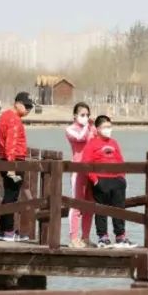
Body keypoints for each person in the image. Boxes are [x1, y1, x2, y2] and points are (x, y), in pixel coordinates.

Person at [82, 115, 134, 248]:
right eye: (105, 127)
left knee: (119, 208)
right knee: (101, 209)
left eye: (109, 127)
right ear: (98, 129)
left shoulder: (114, 143)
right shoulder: (92, 144)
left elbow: (120, 160)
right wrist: (95, 180)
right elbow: (86, 163)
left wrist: (122, 177)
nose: (108, 129)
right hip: (101, 180)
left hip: (116, 180)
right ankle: (103, 237)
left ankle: (120, 236)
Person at [0, 91, 35, 241]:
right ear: (17, 103)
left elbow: (0, 140)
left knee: (8, 195)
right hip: (14, 160)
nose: (28, 110)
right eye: (26, 106)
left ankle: (2, 230)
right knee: (11, 197)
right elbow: (11, 144)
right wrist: (12, 167)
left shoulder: (4, 116)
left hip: (4, 159)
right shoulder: (15, 120)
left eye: (30, 107)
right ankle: (9, 231)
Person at [64, 101, 96, 247]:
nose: (85, 117)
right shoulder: (70, 129)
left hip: (91, 170)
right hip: (78, 170)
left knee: (90, 205)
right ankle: (73, 238)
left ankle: (85, 237)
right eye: (82, 114)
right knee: (77, 204)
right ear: (75, 115)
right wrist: (88, 125)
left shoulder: (91, 128)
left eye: (87, 114)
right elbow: (80, 138)